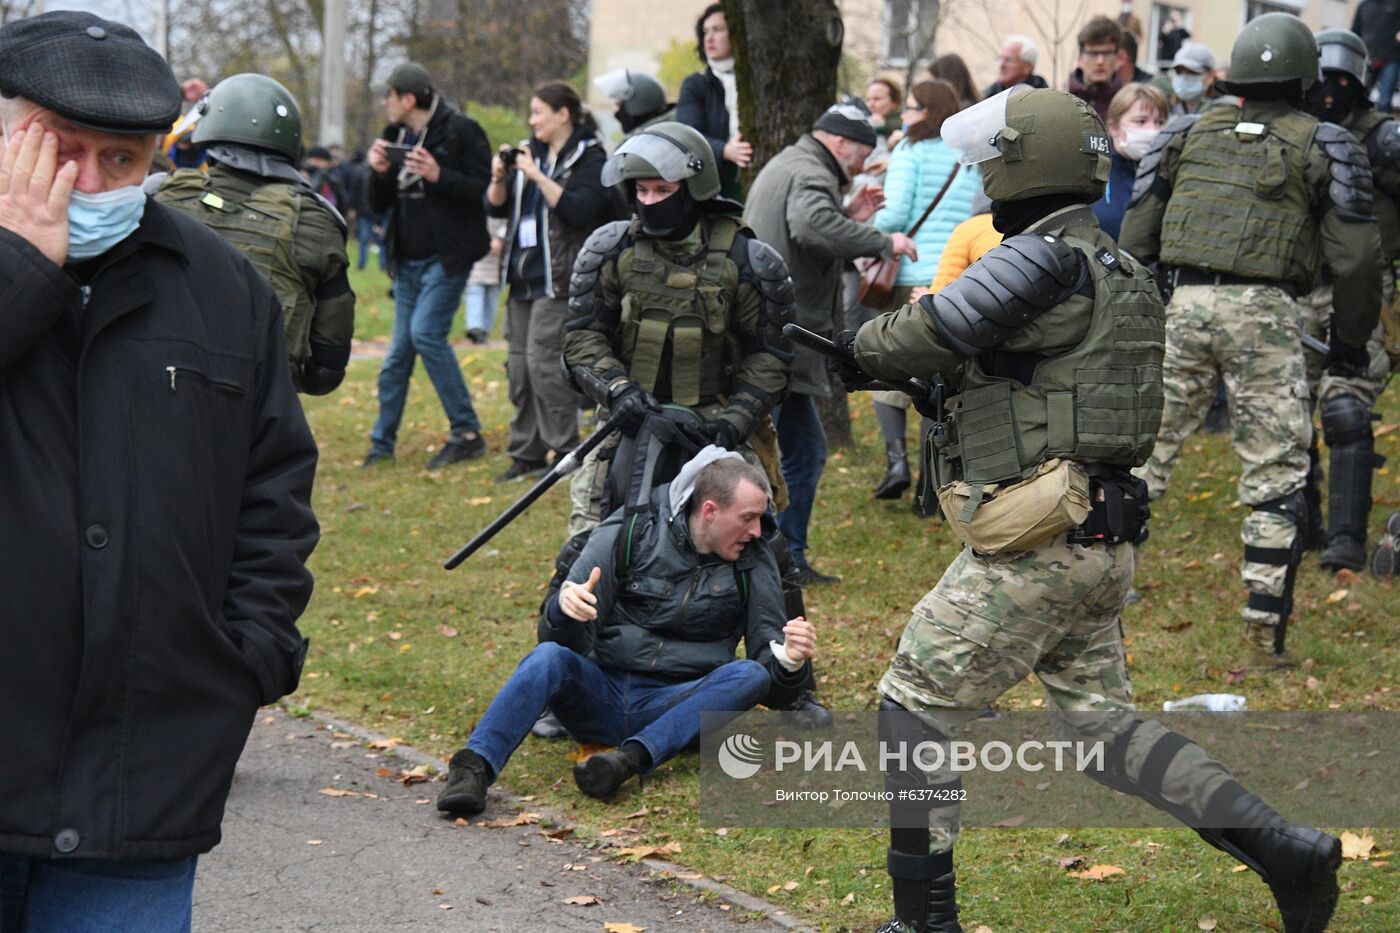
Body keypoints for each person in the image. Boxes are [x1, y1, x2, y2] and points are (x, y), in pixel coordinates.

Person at [833, 85, 1343, 933]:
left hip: (1038, 543)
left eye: (991, 166)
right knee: (1107, 735)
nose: (983, 182)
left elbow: (931, 329)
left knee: (911, 704)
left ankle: (924, 923)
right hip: (1098, 540)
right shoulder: (1119, 269)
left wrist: (859, 345)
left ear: (1020, 166)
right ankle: (1288, 849)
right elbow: (1043, 378)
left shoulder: (1038, 257)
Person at [0, 11, 318, 929]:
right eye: (62, 152)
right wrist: (22, 267)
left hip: (141, 785)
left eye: (123, 160)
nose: (91, 182)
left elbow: (275, 497)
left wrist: (246, 660)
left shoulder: (221, 289)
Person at [1120, 13, 1383, 660]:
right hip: (1267, 312)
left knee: (1141, 457)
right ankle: (1265, 625)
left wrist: (1152, 307)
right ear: (1304, 76)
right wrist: (1349, 343)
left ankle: (1097, 593)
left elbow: (1136, 236)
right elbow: (1356, 259)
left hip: (1184, 304)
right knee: (1273, 473)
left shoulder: (1182, 131)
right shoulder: (1326, 143)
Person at [558, 120, 833, 727]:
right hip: (631, 422)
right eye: (642, 191)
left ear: (693, 185)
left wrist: (736, 417)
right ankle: (565, 680)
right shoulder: (610, 250)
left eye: (662, 190)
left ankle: (795, 684)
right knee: (586, 544)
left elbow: (773, 352)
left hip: (720, 430)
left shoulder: (748, 257)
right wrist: (617, 389)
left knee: (769, 549)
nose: (651, 201)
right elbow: (581, 339)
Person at [436, 453, 818, 813]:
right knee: (547, 658)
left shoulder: (754, 559)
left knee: (748, 673)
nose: (757, 531)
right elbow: (559, 642)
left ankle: (627, 761)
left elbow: (771, 682)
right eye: (748, 518)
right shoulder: (629, 530)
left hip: (680, 707)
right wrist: (563, 610)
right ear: (709, 511)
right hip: (601, 694)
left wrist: (789, 660)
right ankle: (472, 770)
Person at [744, 102, 917, 583]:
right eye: (862, 152)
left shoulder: (793, 163)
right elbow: (809, 226)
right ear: (840, 143)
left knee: (790, 448)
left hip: (768, 329)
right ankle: (781, 560)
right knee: (794, 453)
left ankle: (778, 556)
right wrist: (882, 240)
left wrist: (847, 214)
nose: (864, 163)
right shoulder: (811, 171)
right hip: (783, 333)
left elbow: (807, 228)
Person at [155, 73, 355, 397]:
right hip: (261, 411)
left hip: (159, 394)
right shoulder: (314, 220)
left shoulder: (159, 198)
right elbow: (327, 368)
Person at [1298, 28, 1398, 571]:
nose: (1331, 91)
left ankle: (1346, 539)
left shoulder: (1382, 137)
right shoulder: (1296, 130)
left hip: (1367, 288)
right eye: (1323, 79)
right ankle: (1301, 520)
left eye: (1342, 80)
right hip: (1299, 288)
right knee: (1290, 407)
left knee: (1346, 405)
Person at [363, 62, 492, 469]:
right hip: (407, 262)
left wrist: (439, 174)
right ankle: (381, 444)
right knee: (397, 355)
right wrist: (379, 173)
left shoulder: (461, 131)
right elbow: (377, 205)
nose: (385, 102)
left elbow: (483, 193)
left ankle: (467, 432)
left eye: (390, 95)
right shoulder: (394, 136)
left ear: (409, 98)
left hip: (446, 257)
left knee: (426, 334)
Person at [487, 80, 617, 483]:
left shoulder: (589, 158)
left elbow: (579, 210)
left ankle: (563, 451)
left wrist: (537, 175)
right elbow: (497, 204)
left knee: (545, 364)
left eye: (538, 112)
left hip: (559, 278)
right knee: (520, 367)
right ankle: (525, 452)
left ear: (563, 114)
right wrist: (498, 177)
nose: (532, 121)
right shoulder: (531, 154)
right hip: (522, 277)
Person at [868, 80, 979, 501]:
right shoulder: (965, 159)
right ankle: (930, 483)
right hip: (952, 276)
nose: (906, 115)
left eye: (912, 108)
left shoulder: (908, 151)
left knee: (886, 367)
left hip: (910, 273)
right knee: (934, 378)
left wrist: (864, 230)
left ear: (927, 112)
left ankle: (896, 460)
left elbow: (895, 211)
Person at [676, 3, 750, 200]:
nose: (709, 38)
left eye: (717, 30)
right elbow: (688, 135)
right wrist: (724, 150)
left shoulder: (756, 80)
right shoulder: (695, 84)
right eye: (705, 31)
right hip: (715, 182)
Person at [1091, 82, 1168, 240]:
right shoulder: (1094, 173)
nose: (1152, 131)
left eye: (1159, 122)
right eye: (1141, 121)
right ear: (1114, 127)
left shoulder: (1167, 174)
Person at [1068, 15, 1124, 123]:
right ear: (1080, 59)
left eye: (1107, 53)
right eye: (1093, 54)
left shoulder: (1127, 103)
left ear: (1117, 58)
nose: (1100, 61)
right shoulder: (1064, 101)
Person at [463, 215, 506, 344]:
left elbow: (510, 220)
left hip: (497, 260)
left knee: (492, 295)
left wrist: (500, 238)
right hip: (477, 257)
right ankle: (475, 328)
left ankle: (484, 329)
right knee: (474, 290)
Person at [1352, 0, 1400, 112]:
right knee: (1359, 97)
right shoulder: (1364, 5)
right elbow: (1355, 30)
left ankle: (1385, 128)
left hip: (1391, 58)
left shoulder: (1396, 3)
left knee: (1384, 101)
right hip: (1368, 59)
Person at [594, 69, 675, 134]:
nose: (617, 108)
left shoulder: (653, 138)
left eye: (620, 104)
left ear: (638, 105)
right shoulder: (666, 129)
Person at [981, 34, 1047, 99]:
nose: (1001, 65)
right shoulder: (987, 97)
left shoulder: (1044, 98)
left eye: (1009, 60)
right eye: (1000, 59)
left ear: (1027, 67)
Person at [1170, 43, 1218, 116]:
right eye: (1179, 71)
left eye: (1192, 72)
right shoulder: (1167, 107)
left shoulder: (1223, 108)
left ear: (1211, 75)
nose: (1184, 78)